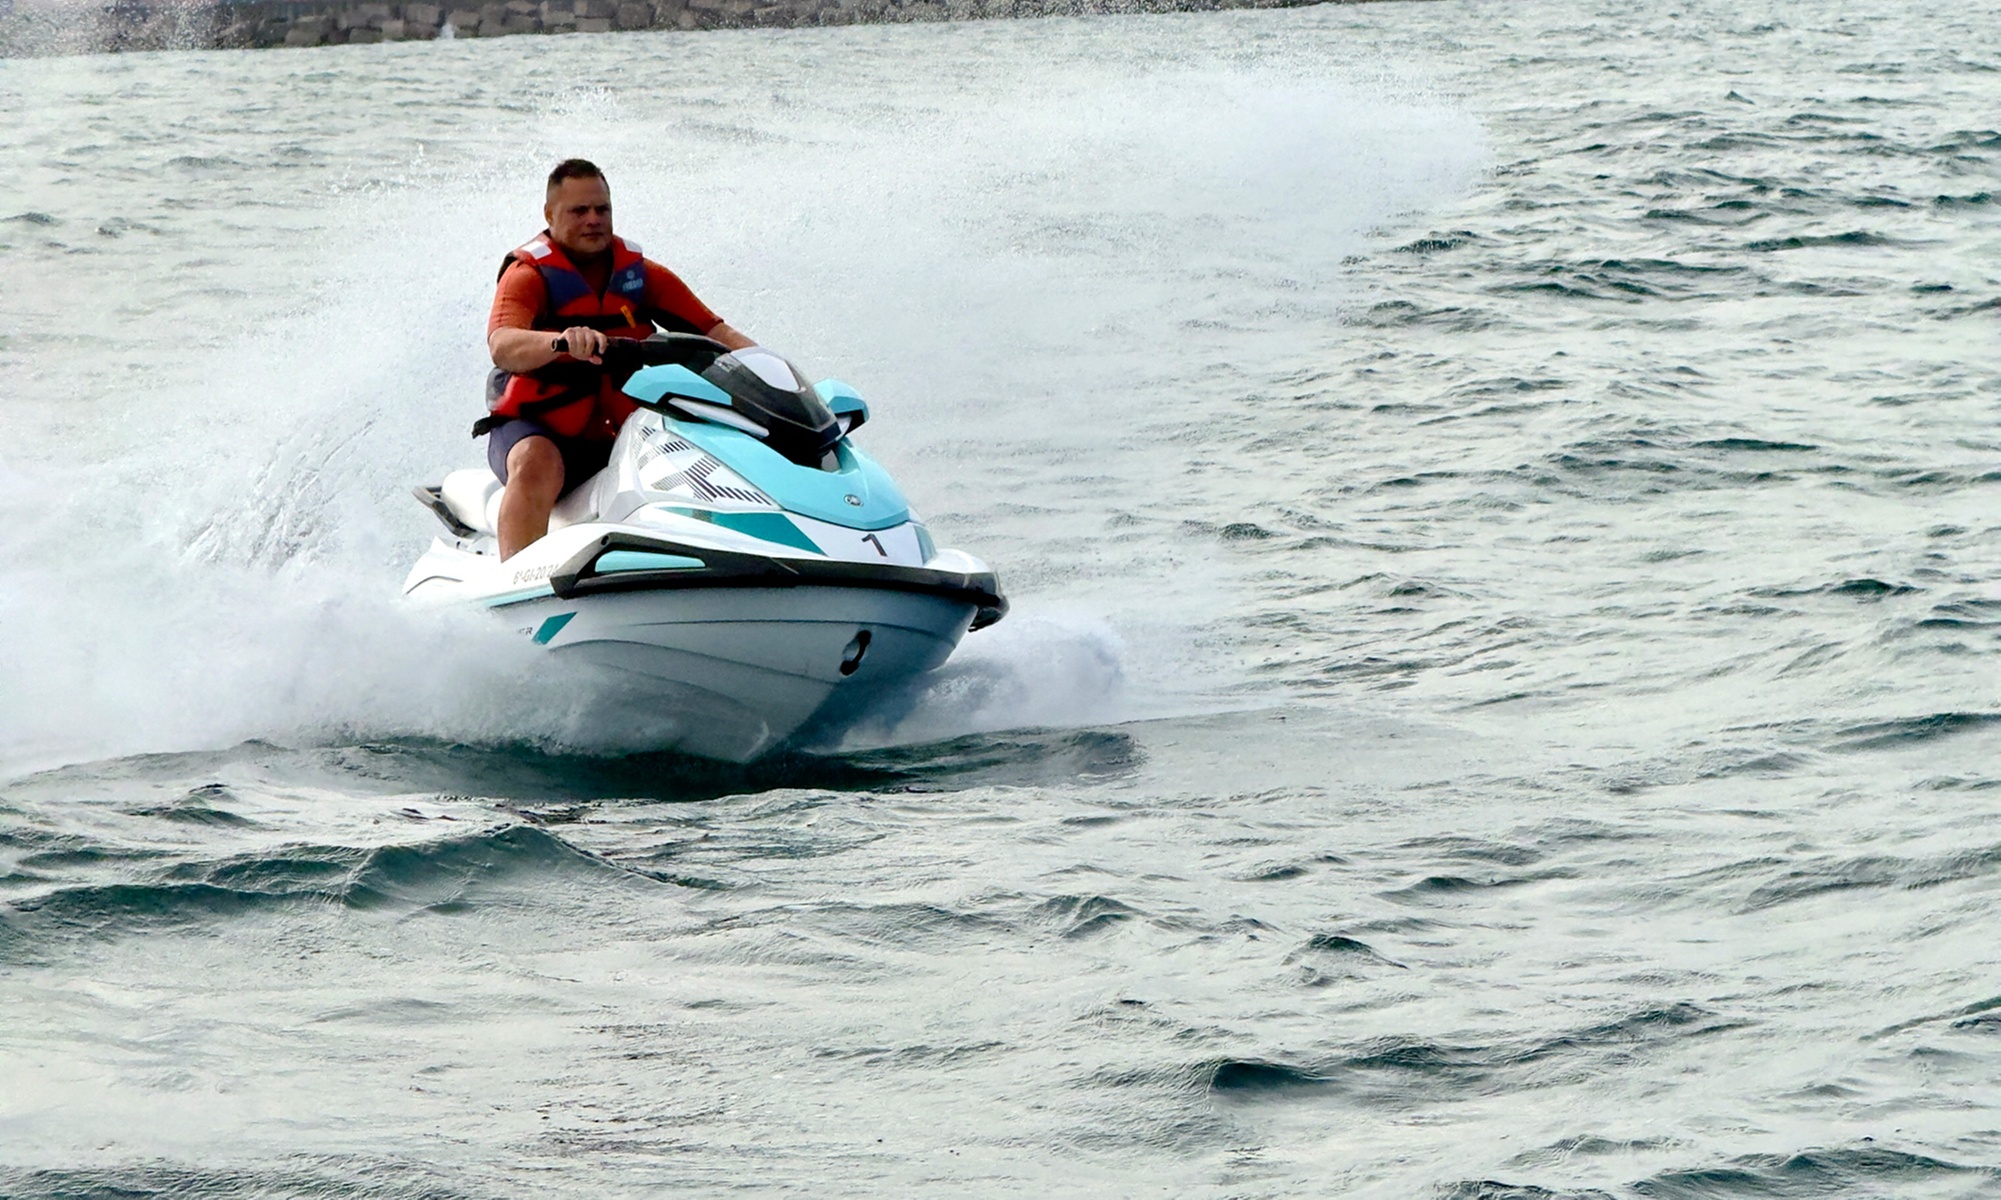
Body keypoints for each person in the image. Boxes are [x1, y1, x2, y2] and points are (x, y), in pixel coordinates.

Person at [481, 158, 755, 560]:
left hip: (621, 429)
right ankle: (516, 585)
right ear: (550, 215)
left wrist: (768, 371)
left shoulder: (643, 276)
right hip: (542, 429)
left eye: (602, 209)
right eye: (580, 211)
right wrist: (559, 342)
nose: (594, 220)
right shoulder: (527, 276)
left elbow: (716, 332)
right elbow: (502, 343)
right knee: (537, 463)